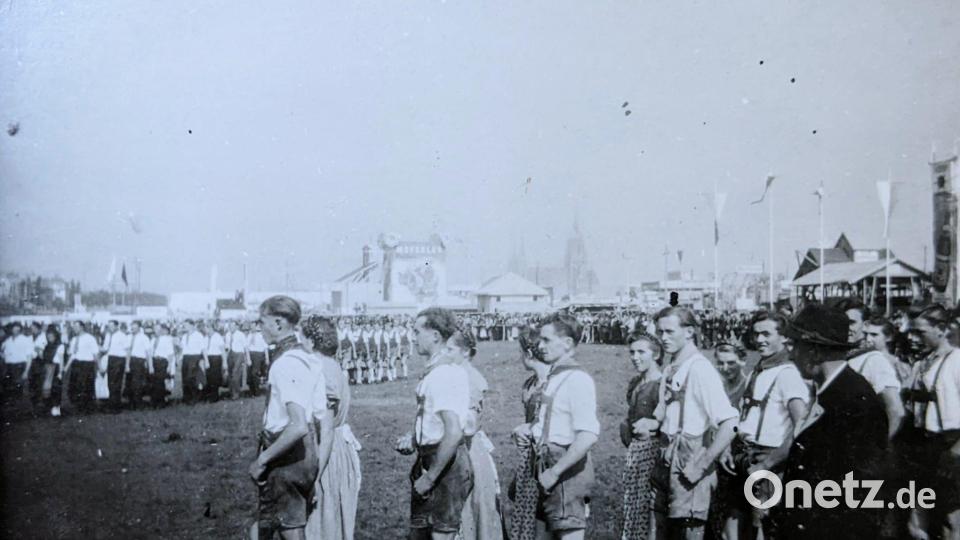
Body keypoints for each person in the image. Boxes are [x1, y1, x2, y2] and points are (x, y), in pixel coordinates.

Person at [777, 303, 887, 539]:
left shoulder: (855, 402)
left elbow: (862, 493)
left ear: (814, 352)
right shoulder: (830, 392)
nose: (791, 354)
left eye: (796, 346)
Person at [649, 306, 739, 540]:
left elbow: (730, 422)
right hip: (666, 457)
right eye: (660, 332)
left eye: (669, 331)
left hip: (689, 461)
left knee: (689, 532)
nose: (663, 338)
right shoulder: (670, 368)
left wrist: (701, 465)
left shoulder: (700, 369)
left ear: (689, 332)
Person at [723, 311, 809, 540]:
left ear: (784, 338)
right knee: (732, 524)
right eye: (756, 334)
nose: (759, 340)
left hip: (768, 458)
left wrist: (769, 463)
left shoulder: (788, 374)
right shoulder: (757, 370)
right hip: (744, 454)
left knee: (762, 526)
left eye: (766, 334)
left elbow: (802, 426)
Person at [514, 313, 599, 540]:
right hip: (546, 467)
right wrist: (529, 430)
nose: (540, 346)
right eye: (539, 340)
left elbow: (588, 434)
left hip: (565, 472)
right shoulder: (554, 377)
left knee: (568, 533)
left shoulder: (576, 379)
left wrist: (555, 471)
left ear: (568, 343)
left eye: (546, 340)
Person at [249, 296, 324, 540]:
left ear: (279, 323)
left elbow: (298, 424)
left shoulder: (286, 364)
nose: (259, 328)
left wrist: (262, 460)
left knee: (290, 530)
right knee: (270, 528)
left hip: (285, 455)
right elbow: (318, 417)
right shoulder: (308, 358)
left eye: (263, 322)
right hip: (305, 453)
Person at [395, 307, 473, 540]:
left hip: (444, 466)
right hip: (430, 460)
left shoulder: (444, 374)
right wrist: (414, 437)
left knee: (441, 535)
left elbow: (453, 431)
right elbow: (433, 420)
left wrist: (430, 478)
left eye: (417, 331)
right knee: (421, 534)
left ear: (436, 336)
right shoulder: (436, 372)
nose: (413, 337)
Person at [902, 305, 960, 540]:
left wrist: (955, 453)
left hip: (949, 446)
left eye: (921, 332)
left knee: (950, 518)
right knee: (918, 517)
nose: (914, 338)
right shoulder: (922, 363)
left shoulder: (956, 361)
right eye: (912, 332)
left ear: (941, 329)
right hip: (923, 445)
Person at [302, 315, 362, 540]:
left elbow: (325, 428)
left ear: (310, 341)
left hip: (325, 451)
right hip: (334, 448)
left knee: (323, 522)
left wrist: (315, 475)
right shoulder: (333, 365)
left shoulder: (321, 369)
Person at [447, 329, 505, 540]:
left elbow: (469, 426)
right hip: (458, 449)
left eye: (450, 349)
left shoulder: (468, 377)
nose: (445, 353)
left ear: (465, 352)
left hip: (467, 452)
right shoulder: (456, 374)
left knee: (471, 512)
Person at [618, 331, 664, 540]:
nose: (635, 357)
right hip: (635, 452)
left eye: (641, 352)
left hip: (653, 455)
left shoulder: (662, 383)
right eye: (632, 352)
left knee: (649, 507)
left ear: (656, 355)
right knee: (633, 504)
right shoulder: (635, 383)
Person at [838, 299, 905, 440]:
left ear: (865, 325)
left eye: (852, 323)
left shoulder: (874, 359)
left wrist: (880, 448)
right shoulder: (846, 357)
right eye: (841, 322)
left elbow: (896, 411)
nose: (846, 328)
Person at [29, 325, 65, 417]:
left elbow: (61, 360)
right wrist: (39, 351)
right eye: (48, 337)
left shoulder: (60, 346)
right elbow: (44, 358)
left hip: (55, 368)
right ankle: (49, 406)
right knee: (47, 388)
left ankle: (56, 407)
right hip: (47, 368)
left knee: (56, 388)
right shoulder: (47, 346)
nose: (50, 339)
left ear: (55, 336)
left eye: (51, 337)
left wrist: (61, 372)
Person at [65, 321, 99, 414]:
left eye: (76, 326)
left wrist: (99, 366)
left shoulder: (90, 338)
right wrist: (66, 367)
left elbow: (95, 353)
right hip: (76, 364)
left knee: (86, 386)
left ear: (82, 327)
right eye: (74, 326)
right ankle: (79, 406)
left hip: (87, 364)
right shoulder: (74, 339)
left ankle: (88, 408)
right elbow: (72, 354)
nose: (74, 328)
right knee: (75, 386)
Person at [1, 322, 34, 406]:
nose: (16, 331)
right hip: (9, 367)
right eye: (14, 329)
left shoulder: (25, 340)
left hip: (20, 367)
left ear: (20, 329)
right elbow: (4, 354)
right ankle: (12, 409)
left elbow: (29, 357)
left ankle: (19, 411)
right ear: (11, 329)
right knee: (9, 389)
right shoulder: (8, 341)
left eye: (18, 329)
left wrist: (26, 371)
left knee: (18, 389)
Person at [101, 320, 129, 412]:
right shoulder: (108, 335)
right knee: (110, 382)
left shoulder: (122, 336)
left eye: (112, 326)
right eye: (109, 326)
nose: (110, 328)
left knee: (116, 382)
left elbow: (127, 350)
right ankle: (113, 403)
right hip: (111, 359)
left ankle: (115, 406)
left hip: (119, 359)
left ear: (117, 326)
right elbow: (105, 348)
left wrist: (127, 364)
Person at [126, 321, 152, 409]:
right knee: (129, 382)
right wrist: (127, 364)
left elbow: (148, 352)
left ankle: (138, 403)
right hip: (130, 360)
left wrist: (150, 365)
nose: (133, 329)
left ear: (139, 328)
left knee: (137, 383)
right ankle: (131, 402)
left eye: (135, 327)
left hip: (139, 361)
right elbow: (127, 351)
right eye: (132, 327)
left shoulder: (144, 338)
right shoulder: (128, 337)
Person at [150, 324, 176, 408]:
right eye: (155, 329)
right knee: (154, 381)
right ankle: (155, 400)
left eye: (158, 329)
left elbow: (170, 354)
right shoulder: (153, 339)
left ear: (161, 330)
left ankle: (161, 401)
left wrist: (169, 366)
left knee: (160, 381)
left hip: (163, 361)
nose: (156, 331)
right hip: (154, 361)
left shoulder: (166, 339)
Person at [180, 320, 205, 404]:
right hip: (186, 357)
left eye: (186, 325)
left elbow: (203, 349)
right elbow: (183, 348)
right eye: (184, 325)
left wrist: (204, 360)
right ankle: (186, 397)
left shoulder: (198, 335)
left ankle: (195, 397)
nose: (184, 327)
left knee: (192, 378)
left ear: (192, 325)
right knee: (185, 378)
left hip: (194, 357)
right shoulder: (184, 336)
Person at [203, 322, 227, 402]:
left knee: (215, 378)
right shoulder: (206, 338)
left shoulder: (218, 337)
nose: (205, 329)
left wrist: (224, 362)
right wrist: (206, 360)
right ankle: (209, 395)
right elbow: (205, 349)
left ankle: (215, 396)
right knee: (209, 377)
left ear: (211, 328)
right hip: (209, 358)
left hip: (216, 358)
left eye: (206, 328)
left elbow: (222, 350)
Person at [226, 320, 248, 400]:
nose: (231, 328)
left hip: (239, 354)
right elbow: (227, 346)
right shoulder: (228, 335)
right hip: (230, 354)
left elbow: (245, 347)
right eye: (230, 326)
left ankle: (236, 393)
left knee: (236, 373)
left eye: (232, 326)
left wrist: (248, 358)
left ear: (236, 326)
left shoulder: (241, 335)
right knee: (230, 373)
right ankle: (231, 392)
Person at [248, 321, 269, 396]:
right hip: (251, 354)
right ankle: (251, 391)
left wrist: (267, 358)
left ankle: (257, 392)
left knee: (255, 373)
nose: (252, 327)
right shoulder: (249, 335)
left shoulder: (261, 335)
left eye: (253, 326)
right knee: (250, 374)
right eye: (251, 326)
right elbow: (247, 347)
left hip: (258, 354)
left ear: (257, 326)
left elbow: (265, 347)